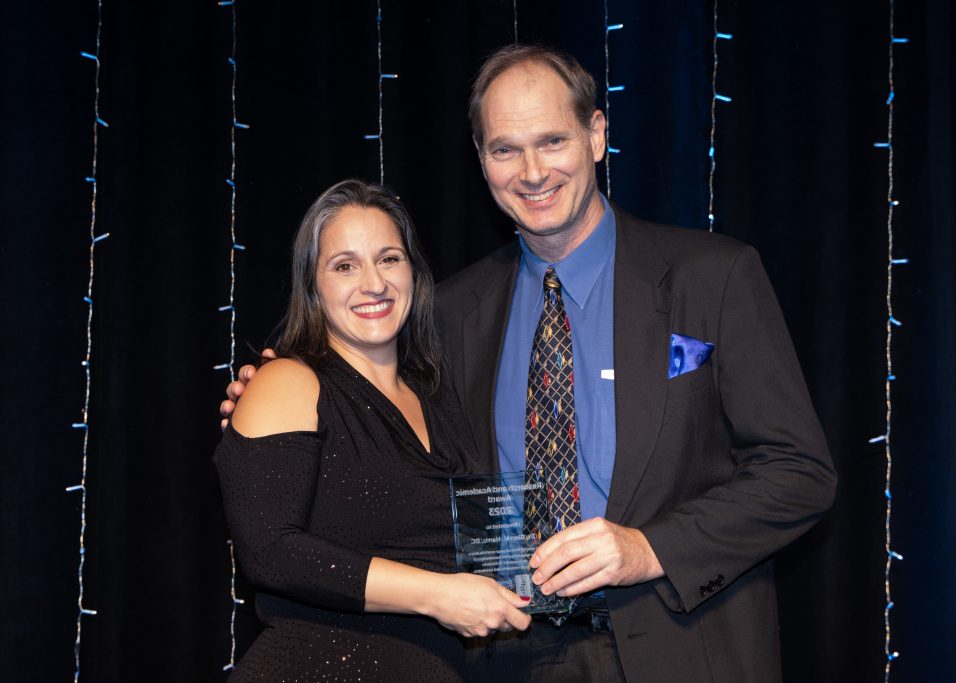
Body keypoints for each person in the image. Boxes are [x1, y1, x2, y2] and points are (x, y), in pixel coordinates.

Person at [224, 46, 836, 682]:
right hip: (513, 657)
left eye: (552, 141)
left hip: (686, 649)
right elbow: (363, 415)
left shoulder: (712, 277)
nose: (533, 171)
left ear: (596, 135)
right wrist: (272, 396)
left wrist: (647, 549)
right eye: (505, 149)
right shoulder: (450, 314)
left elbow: (800, 472)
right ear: (481, 159)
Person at [214, 179, 531, 682]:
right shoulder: (288, 381)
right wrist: (438, 595)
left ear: (413, 272)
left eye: (389, 259)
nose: (374, 283)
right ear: (312, 286)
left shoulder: (441, 398)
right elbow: (269, 552)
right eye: (345, 266)